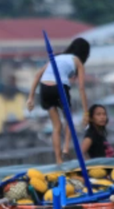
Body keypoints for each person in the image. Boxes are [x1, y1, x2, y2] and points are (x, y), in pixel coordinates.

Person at [26, 38, 90, 166]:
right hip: (60, 88)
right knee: (69, 121)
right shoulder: (77, 61)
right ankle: (65, 148)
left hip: (45, 88)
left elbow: (38, 75)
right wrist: (85, 112)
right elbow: (81, 88)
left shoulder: (56, 58)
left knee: (56, 126)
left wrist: (31, 97)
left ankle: (58, 160)